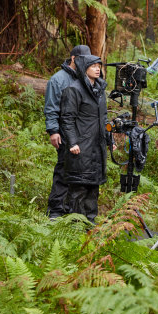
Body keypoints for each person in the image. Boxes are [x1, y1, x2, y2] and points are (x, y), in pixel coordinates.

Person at [60, 54, 110, 224]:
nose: (97, 69)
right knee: (79, 187)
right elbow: (67, 118)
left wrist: (110, 141)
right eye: (93, 66)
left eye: (99, 66)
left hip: (97, 147)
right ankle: (76, 227)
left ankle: (90, 226)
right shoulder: (73, 89)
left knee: (93, 187)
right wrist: (72, 142)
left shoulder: (100, 91)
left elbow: (104, 119)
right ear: (84, 68)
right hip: (81, 147)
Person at [44, 45, 91, 219]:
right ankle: (55, 211)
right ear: (73, 59)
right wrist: (53, 131)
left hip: (83, 135)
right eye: (82, 60)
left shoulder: (86, 79)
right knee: (63, 172)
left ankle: (73, 212)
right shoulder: (58, 80)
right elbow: (51, 107)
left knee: (79, 174)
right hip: (64, 133)